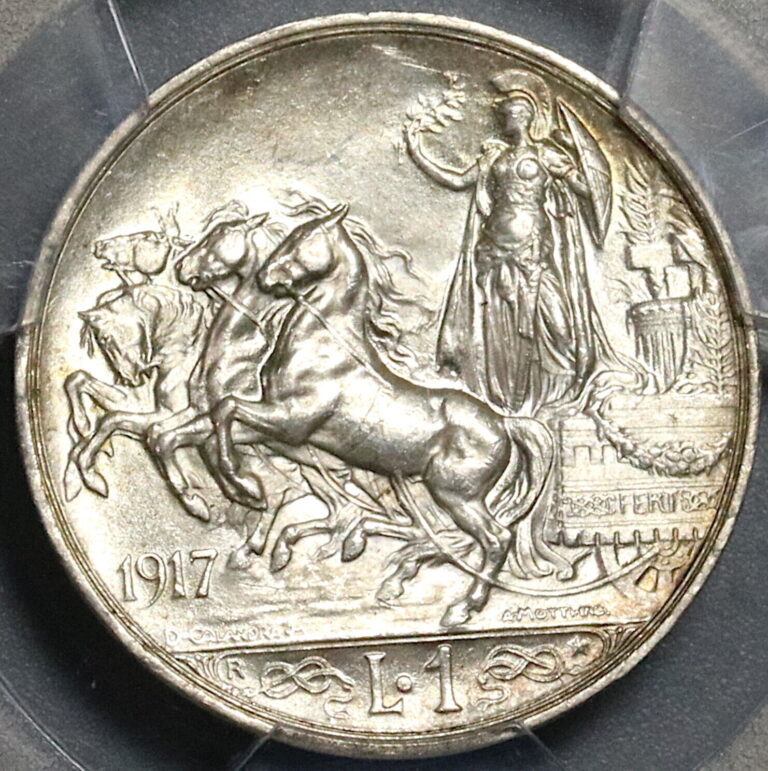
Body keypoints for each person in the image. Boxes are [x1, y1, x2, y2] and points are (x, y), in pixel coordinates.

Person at [406, 68, 623, 416]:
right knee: (497, 325)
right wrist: (418, 151)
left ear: (525, 116)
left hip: (533, 250)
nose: (503, 120)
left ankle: (551, 395)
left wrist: (583, 163)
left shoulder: (547, 156)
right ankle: (504, 398)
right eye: (503, 115)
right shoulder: (493, 157)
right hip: (493, 248)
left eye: (508, 114)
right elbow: (458, 180)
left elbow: (587, 190)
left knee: (555, 323)